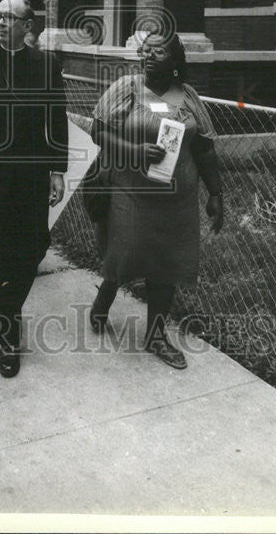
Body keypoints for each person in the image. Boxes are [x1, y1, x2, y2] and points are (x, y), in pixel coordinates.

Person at [88, 31, 224, 369]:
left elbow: (204, 148)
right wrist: (133, 149)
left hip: (177, 200)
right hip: (132, 193)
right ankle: (106, 293)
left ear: (176, 59)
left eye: (158, 51)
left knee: (166, 264)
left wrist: (216, 193)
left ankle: (156, 335)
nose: (148, 55)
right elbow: (98, 130)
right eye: (145, 50)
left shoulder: (188, 96)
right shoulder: (127, 88)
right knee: (125, 253)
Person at [0, 0, 68, 378]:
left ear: (28, 26)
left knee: (35, 244)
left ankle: (6, 307)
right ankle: (6, 332)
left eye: (10, 17)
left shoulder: (46, 65)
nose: (2, 22)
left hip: (31, 172)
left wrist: (57, 170)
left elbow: (56, 119)